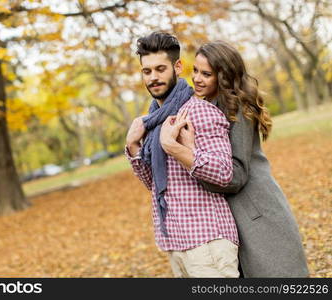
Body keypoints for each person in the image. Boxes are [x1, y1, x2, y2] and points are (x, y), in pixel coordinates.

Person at [173, 40, 309, 277]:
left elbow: (235, 175)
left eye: (206, 74)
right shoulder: (208, 107)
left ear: (224, 76)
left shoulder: (236, 110)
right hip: (234, 214)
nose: (197, 78)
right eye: (195, 70)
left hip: (257, 211)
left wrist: (190, 153)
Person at [125, 31, 239, 277]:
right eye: (147, 71)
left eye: (160, 69)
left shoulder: (199, 112)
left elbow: (224, 173)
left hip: (207, 241)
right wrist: (134, 147)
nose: (153, 78)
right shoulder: (153, 121)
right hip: (175, 241)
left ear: (177, 67)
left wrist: (176, 148)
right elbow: (156, 184)